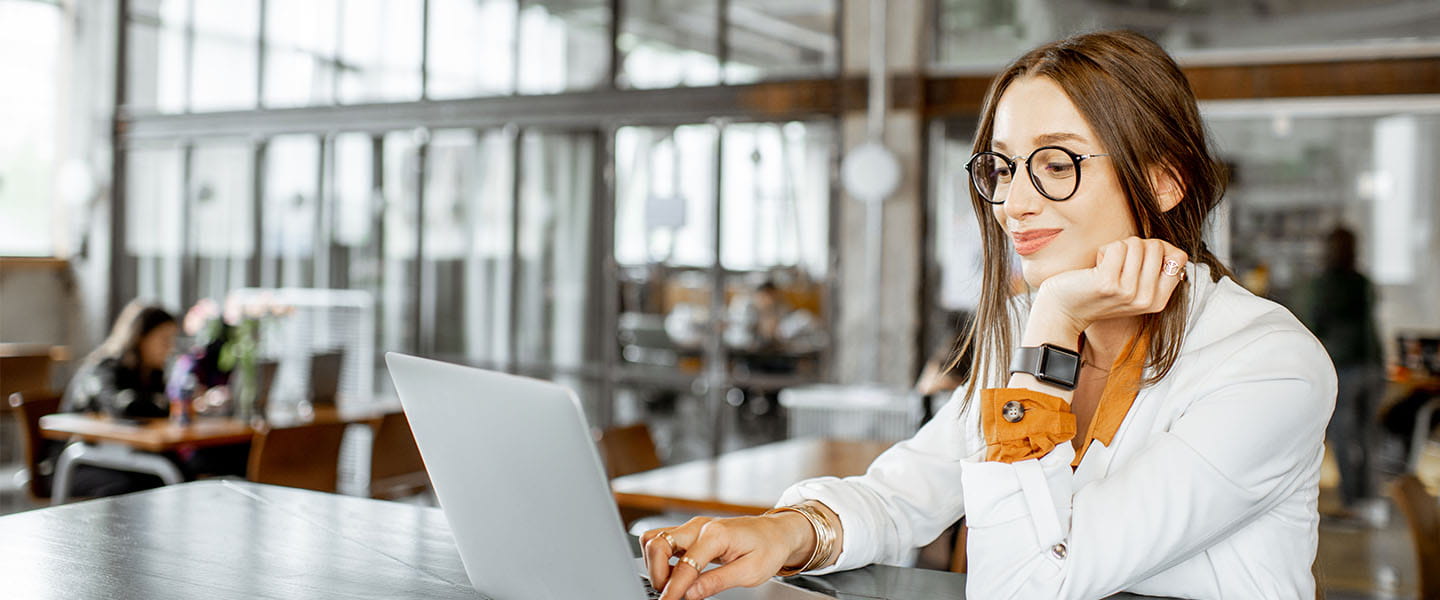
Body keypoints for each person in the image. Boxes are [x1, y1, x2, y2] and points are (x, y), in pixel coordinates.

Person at [641, 30, 1336, 599]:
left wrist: (1053, 327)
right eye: (1002, 168)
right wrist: (789, 533)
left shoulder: (1269, 366)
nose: (1014, 204)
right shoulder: (1035, 323)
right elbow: (907, 490)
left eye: (1056, 164)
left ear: (1163, 180)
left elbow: (1026, 584)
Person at [1296, 227, 1384, 519]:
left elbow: (1314, 326)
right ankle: (1369, 498)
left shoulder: (1324, 285)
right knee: (1368, 435)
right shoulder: (1363, 283)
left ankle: (1351, 502)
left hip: (1344, 367)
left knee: (1344, 436)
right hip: (1372, 364)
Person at [58, 301, 179, 496]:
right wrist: (165, 405)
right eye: (164, 340)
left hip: (118, 456)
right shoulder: (105, 367)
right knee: (141, 484)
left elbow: (157, 409)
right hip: (78, 459)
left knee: (178, 470)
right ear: (141, 338)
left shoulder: (152, 373)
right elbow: (121, 406)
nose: (170, 348)